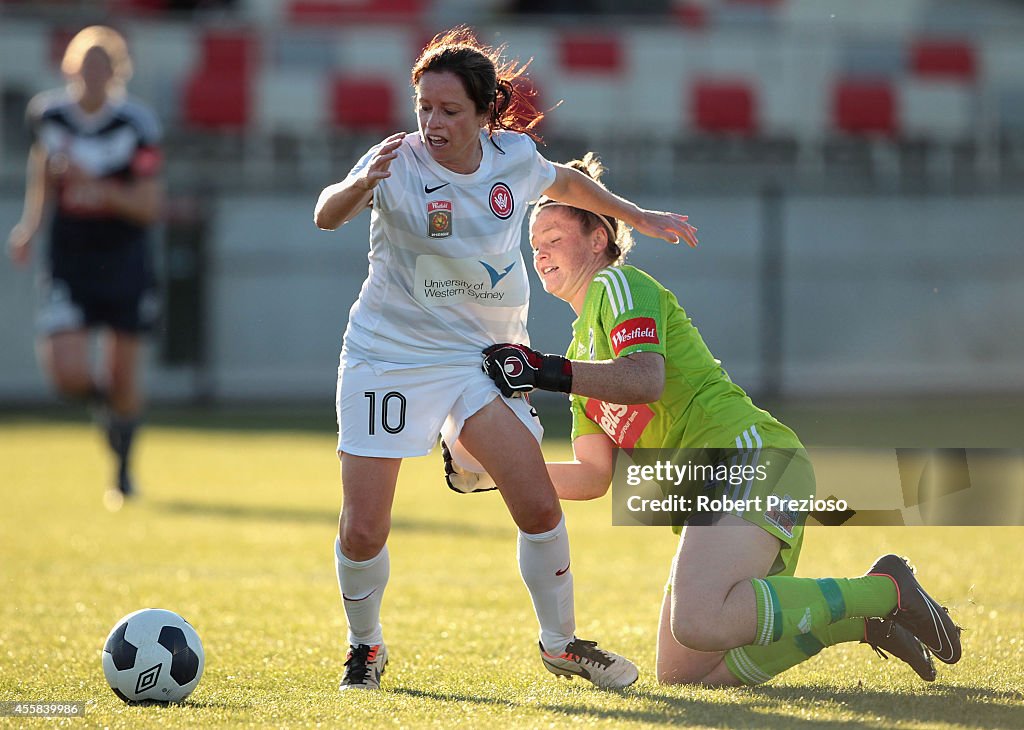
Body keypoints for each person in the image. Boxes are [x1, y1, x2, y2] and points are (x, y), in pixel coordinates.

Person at [471, 152, 963, 687]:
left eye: (555, 238)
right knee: (684, 675)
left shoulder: (618, 285)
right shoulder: (574, 350)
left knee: (700, 620)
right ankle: (859, 624)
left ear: (598, 240)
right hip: (712, 491)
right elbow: (592, 477)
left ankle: (887, 589)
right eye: (535, 244)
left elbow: (644, 379)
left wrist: (543, 372)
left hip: (751, 456)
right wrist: (498, 471)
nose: (541, 254)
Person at [313, 26, 697, 692]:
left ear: (487, 113)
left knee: (539, 507)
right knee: (366, 527)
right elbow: (325, 214)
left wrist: (636, 213)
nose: (432, 121)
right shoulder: (396, 160)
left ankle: (562, 644)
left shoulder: (512, 159)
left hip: (477, 360)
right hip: (389, 358)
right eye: (424, 106)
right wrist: (359, 185)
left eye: (449, 110)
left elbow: (568, 180)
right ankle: (365, 645)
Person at [7, 26, 164, 509]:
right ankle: (106, 407)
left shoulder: (137, 125)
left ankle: (123, 472)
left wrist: (95, 184)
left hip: (122, 255)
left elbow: (148, 205)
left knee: (124, 373)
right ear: (70, 67)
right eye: (84, 64)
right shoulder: (48, 115)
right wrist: (32, 224)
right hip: (69, 256)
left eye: (103, 66)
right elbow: (43, 165)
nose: (92, 74)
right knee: (66, 371)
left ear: (116, 72)